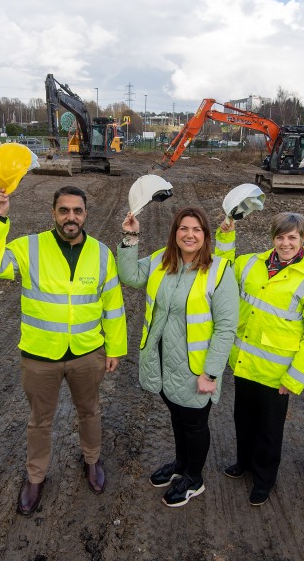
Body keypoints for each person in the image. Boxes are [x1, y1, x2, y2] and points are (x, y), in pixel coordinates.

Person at [0, 186, 127, 516]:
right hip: (40, 354)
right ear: (53, 213)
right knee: (40, 421)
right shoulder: (29, 247)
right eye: (64, 210)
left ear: (86, 214)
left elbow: (113, 306)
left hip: (87, 352)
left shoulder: (102, 253)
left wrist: (115, 348)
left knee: (90, 411)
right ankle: (35, 477)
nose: (71, 217)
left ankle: (92, 460)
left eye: (77, 211)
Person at [118, 207, 238, 508]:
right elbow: (130, 276)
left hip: (195, 366)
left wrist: (210, 373)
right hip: (161, 359)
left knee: (195, 424)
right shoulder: (162, 260)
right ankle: (181, 466)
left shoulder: (219, 270)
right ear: (175, 233)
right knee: (177, 415)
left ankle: (194, 479)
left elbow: (226, 328)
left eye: (196, 229)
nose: (189, 234)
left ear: (205, 236)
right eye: (183, 228)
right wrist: (131, 237)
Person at [214, 212, 304, 506]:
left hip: (278, 372)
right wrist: (226, 237)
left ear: (302, 239)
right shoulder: (252, 263)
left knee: (269, 430)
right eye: (280, 237)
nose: (286, 243)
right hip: (243, 362)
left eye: (292, 237)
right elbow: (222, 268)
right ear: (272, 238)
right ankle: (243, 463)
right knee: (243, 418)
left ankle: (264, 479)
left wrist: (295, 377)